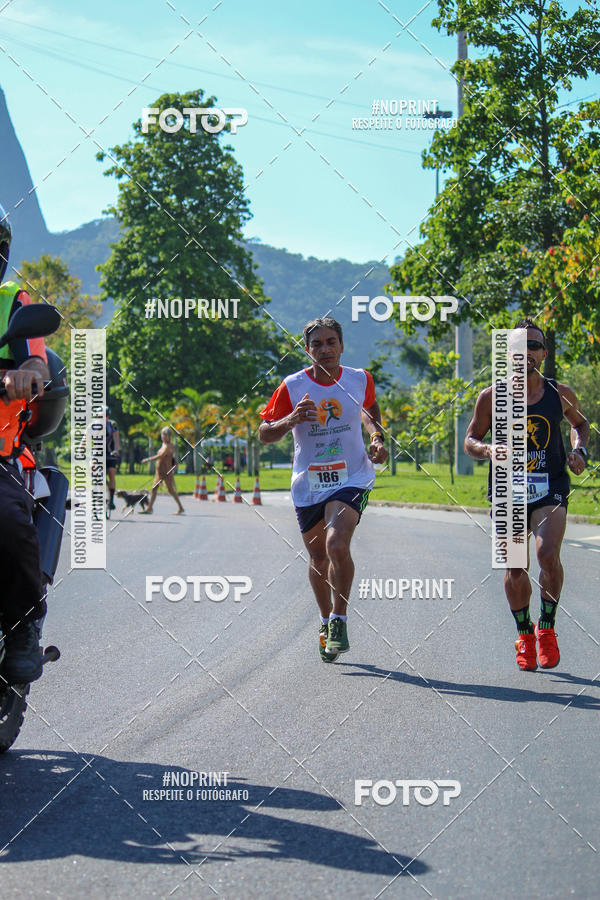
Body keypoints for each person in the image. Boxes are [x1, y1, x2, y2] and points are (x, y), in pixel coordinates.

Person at [259, 317, 387, 662]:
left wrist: (376, 437)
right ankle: (325, 619)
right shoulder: (293, 386)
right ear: (307, 349)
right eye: (317, 344)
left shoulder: (360, 379)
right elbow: (264, 432)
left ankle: (340, 619)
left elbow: (369, 408)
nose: (325, 349)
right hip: (309, 482)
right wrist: (290, 421)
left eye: (331, 342)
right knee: (317, 558)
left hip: (352, 477)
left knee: (336, 543)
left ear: (341, 346)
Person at [464, 320, 590, 670]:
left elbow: (581, 425)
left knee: (547, 555)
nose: (527, 353)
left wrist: (580, 452)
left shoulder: (560, 394)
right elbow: (470, 441)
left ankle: (547, 629)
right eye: (519, 347)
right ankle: (525, 634)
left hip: (549, 488)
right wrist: (488, 450)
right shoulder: (491, 397)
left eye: (533, 346)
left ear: (543, 353)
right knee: (516, 567)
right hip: (506, 492)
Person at [0, 203, 50, 683]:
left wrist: (24, 376)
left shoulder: (10, 303)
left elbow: (36, 363)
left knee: (7, 520)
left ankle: (23, 627)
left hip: (1, 455)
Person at [140, 427, 184, 515]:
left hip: (166, 472)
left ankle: (180, 507)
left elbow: (161, 456)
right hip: (159, 472)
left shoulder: (169, 446)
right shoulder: (163, 444)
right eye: (162, 434)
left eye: (165, 435)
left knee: (171, 490)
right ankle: (150, 508)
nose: (163, 436)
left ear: (169, 436)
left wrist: (147, 460)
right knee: (154, 488)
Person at [105, 406, 120, 510]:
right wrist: (80, 449)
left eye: (106, 415)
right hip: (97, 455)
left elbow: (116, 438)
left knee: (111, 472)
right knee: (94, 471)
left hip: (110, 454)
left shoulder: (112, 424)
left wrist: (116, 450)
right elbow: (85, 437)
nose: (104, 418)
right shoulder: (93, 425)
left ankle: (111, 500)